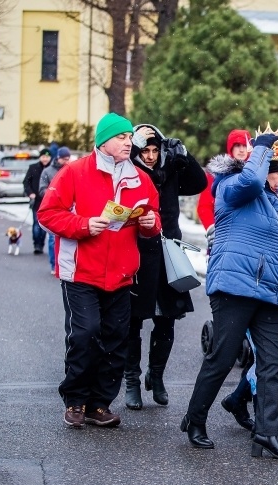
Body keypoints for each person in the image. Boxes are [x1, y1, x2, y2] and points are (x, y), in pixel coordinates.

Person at [180, 125, 278, 460]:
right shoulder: (232, 187)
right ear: (262, 168)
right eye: (277, 173)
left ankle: (266, 433)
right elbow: (252, 181)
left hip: (270, 291)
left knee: (273, 361)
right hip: (234, 287)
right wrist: (260, 147)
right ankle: (195, 419)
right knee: (222, 358)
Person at [37, 112, 161, 429]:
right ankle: (75, 399)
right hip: (80, 272)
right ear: (103, 141)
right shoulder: (74, 173)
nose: (128, 142)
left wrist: (149, 223)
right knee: (85, 334)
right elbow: (47, 214)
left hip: (121, 274)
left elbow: (154, 220)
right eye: (121, 137)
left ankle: (100, 404)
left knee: (117, 339)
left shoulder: (141, 178)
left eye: (129, 137)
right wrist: (83, 225)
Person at [123, 124, 207, 410]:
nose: (149, 156)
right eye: (144, 150)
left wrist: (185, 155)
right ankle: (131, 380)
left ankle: (156, 376)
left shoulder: (169, 168)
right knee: (133, 320)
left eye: (155, 150)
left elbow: (198, 184)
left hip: (168, 249)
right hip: (136, 251)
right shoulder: (127, 170)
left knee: (168, 317)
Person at [196, 129, 251, 230]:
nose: (242, 150)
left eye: (245, 146)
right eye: (238, 145)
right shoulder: (216, 173)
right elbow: (204, 206)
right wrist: (212, 229)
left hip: (249, 233)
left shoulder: (256, 173)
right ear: (231, 147)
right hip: (223, 231)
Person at [38, 147, 72, 275]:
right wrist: (55, 195)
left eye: (68, 159)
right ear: (58, 158)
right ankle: (54, 265)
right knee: (53, 239)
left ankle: (65, 265)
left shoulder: (71, 169)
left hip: (69, 210)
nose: (66, 161)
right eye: (64, 159)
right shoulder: (48, 171)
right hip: (54, 209)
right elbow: (42, 189)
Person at [24, 148, 53, 254]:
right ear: (40, 157)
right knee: (36, 223)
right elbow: (26, 182)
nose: (45, 159)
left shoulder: (52, 169)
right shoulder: (33, 168)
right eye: (43, 157)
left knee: (44, 225)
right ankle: (36, 244)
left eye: (47, 157)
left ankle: (41, 243)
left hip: (47, 202)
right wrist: (30, 193)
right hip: (36, 200)